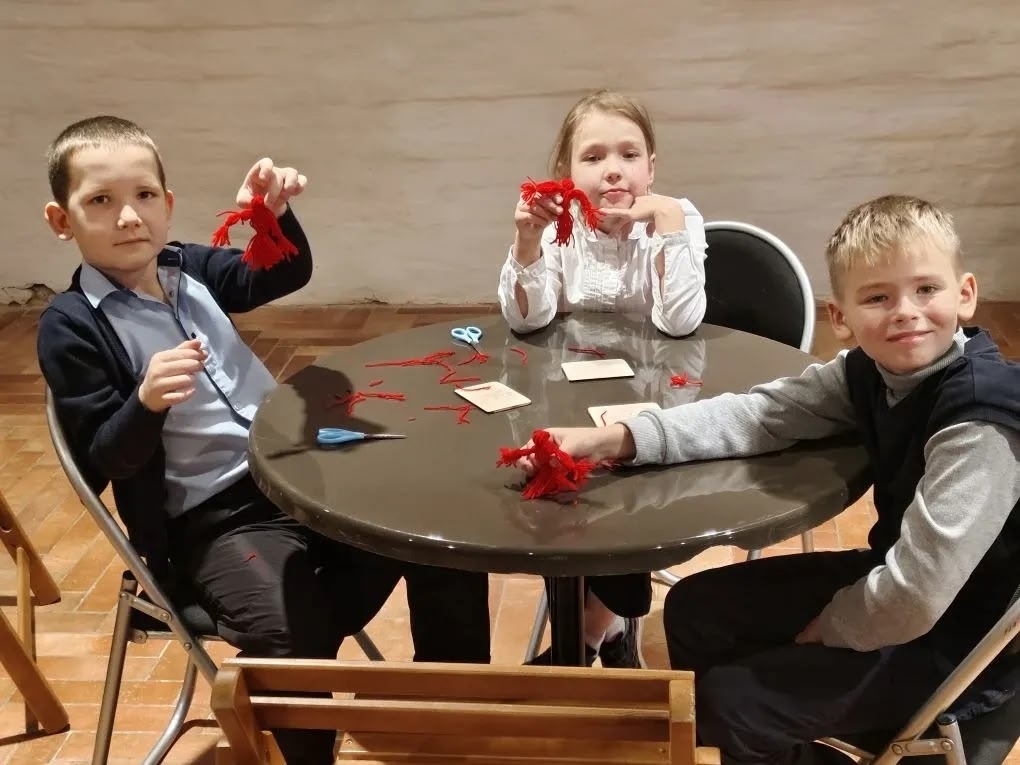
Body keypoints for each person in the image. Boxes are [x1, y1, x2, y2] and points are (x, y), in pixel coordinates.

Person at [37, 116, 490, 764]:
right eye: (101, 201)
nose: (129, 216)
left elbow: (279, 273)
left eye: (143, 195)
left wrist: (272, 217)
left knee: (439, 528)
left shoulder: (186, 265)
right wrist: (145, 403)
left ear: (167, 204)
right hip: (212, 520)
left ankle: (451, 710)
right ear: (63, 220)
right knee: (285, 627)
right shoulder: (72, 325)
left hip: (297, 475)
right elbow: (101, 459)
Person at [511, 194, 1020, 763]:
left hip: (957, 641)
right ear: (841, 319)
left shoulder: (978, 421)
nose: (905, 311)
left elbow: (916, 599)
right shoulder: (868, 372)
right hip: (898, 586)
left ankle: (747, 736)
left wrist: (831, 626)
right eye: (878, 297)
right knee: (694, 609)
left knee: (731, 708)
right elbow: (761, 414)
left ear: (965, 295)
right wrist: (613, 439)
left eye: (926, 288)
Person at [497, 89, 710, 667]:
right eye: (592, 157)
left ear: (651, 168)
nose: (612, 169)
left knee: (628, 491)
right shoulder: (561, 225)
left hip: (656, 396)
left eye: (628, 155)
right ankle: (607, 629)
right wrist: (528, 240)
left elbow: (680, 321)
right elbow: (528, 319)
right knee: (552, 481)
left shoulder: (677, 218)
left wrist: (665, 222)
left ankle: (586, 637)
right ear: (566, 173)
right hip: (569, 391)